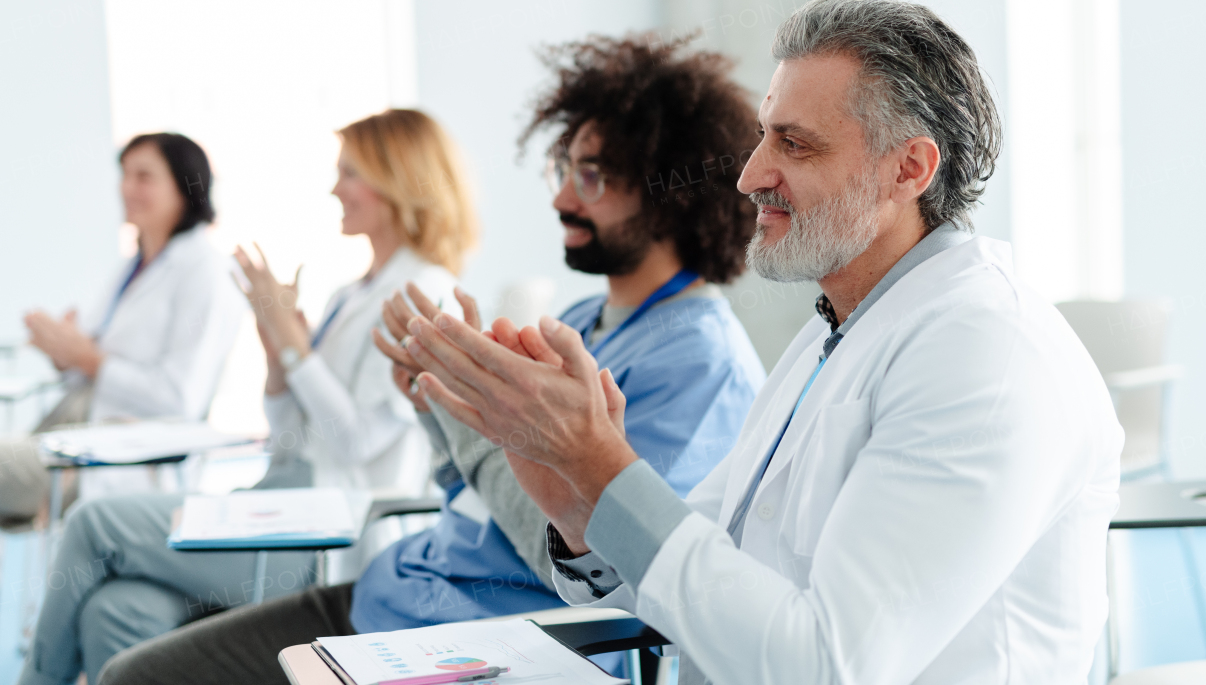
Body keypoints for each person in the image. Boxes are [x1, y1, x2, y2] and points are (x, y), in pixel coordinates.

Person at [401, 0, 1126, 684]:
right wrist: (577, 499)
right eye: (760, 137)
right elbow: (699, 568)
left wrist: (603, 466)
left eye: (794, 144)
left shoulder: (985, 355)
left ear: (909, 168)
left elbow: (823, 665)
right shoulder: (831, 334)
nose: (750, 176)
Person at [95, 35, 767, 685]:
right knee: (125, 639)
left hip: (479, 635)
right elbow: (467, 492)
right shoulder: (582, 321)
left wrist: (471, 429)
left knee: (134, 657)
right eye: (562, 169)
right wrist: (438, 411)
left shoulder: (702, 363)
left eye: (591, 176)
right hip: (401, 590)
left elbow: (592, 566)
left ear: (670, 191)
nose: (562, 197)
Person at [18, 109, 478, 685]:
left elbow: (359, 441)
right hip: (284, 499)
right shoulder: (349, 292)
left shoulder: (423, 292)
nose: (334, 188)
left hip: (330, 530)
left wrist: (295, 351)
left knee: (94, 523)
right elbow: (287, 427)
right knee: (120, 608)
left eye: (349, 172)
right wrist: (275, 352)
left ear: (399, 181)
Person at [13, 133, 244, 520]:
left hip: (122, 457)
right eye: (124, 175)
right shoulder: (133, 266)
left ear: (185, 186)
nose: (126, 188)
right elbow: (92, 365)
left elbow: (180, 399)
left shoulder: (205, 272)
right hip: (72, 429)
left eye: (144, 177)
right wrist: (65, 353)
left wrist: (89, 359)